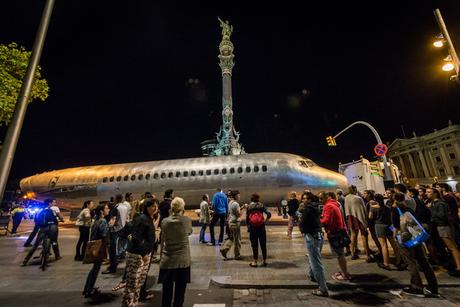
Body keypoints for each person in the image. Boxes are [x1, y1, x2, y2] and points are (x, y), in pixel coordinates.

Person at [392, 192, 439, 297]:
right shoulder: (409, 208)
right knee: (423, 261)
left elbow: (395, 226)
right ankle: (433, 286)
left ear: (395, 199)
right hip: (415, 236)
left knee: (410, 262)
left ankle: (416, 286)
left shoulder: (395, 209)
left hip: (404, 238)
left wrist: (396, 237)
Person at [122, 198, 156, 306]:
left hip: (143, 255)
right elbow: (135, 238)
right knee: (132, 285)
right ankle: (128, 304)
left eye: (156, 206)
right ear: (147, 207)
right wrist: (144, 254)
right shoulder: (142, 219)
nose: (155, 208)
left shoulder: (148, 218)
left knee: (138, 284)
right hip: (137, 256)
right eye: (153, 206)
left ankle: (134, 303)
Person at [159, 197, 193, 307]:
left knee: (166, 293)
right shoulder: (186, 220)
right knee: (179, 293)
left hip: (167, 260)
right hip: (182, 261)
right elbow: (189, 231)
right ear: (182, 208)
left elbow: (163, 239)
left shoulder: (164, 222)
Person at [300, 192, 328, 296]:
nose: (304, 200)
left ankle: (323, 288)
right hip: (318, 234)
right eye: (303, 198)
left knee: (316, 262)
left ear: (310, 199)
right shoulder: (316, 208)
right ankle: (312, 275)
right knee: (313, 257)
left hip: (311, 236)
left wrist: (302, 229)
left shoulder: (307, 209)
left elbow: (303, 223)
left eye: (306, 199)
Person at [428, 187, 460, 277]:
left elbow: (442, 216)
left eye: (429, 192)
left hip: (444, 226)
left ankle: (459, 267)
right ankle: (455, 265)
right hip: (441, 226)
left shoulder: (440, 203)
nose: (427, 193)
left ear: (435, 194)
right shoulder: (435, 203)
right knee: (450, 247)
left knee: (452, 247)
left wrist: (432, 211)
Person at [320, 192, 351, 281]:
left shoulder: (328, 206)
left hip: (335, 232)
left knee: (339, 255)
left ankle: (345, 274)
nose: (320, 200)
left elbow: (326, 220)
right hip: (339, 231)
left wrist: (318, 221)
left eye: (321, 198)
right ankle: (343, 271)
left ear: (326, 197)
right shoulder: (335, 204)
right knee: (340, 254)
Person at [369, 194, 403, 271]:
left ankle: (386, 263)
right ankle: (398, 261)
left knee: (384, 245)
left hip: (379, 226)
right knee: (394, 244)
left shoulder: (373, 208)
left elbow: (370, 217)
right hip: (388, 225)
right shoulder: (387, 208)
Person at [22, 199, 61, 266]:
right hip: (52, 228)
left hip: (42, 228)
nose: (53, 204)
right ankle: (57, 256)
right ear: (49, 203)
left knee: (35, 245)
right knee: (54, 241)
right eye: (52, 202)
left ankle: (25, 260)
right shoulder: (52, 210)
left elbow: (36, 220)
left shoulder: (40, 210)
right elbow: (56, 219)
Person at [82, 203, 110, 298]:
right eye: (106, 208)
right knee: (95, 269)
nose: (108, 209)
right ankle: (89, 290)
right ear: (102, 211)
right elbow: (104, 234)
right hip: (99, 247)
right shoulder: (102, 221)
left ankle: (88, 288)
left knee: (94, 268)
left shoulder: (96, 220)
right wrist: (110, 226)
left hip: (95, 245)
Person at [345, 186, 372, 262]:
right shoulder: (358, 198)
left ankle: (353, 254)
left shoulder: (346, 198)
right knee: (364, 236)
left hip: (350, 217)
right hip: (359, 217)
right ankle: (367, 255)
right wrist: (365, 220)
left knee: (353, 236)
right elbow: (363, 209)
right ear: (354, 190)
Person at [246, 193, 271, 267]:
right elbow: (269, 214)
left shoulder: (249, 206)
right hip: (261, 227)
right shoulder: (261, 205)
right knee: (263, 244)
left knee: (254, 245)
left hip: (253, 227)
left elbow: (247, 218)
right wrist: (265, 221)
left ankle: (255, 261)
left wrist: (248, 227)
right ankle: (264, 261)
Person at [103, 194, 124, 274]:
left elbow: (113, 220)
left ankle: (112, 267)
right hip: (121, 229)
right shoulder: (124, 207)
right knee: (118, 248)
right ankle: (114, 264)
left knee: (112, 250)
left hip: (115, 230)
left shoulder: (116, 208)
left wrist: (107, 226)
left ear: (115, 199)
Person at [220, 190, 242, 260]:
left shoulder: (230, 203)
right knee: (237, 240)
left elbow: (232, 212)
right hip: (235, 223)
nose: (239, 196)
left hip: (230, 222)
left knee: (232, 238)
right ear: (235, 196)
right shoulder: (236, 204)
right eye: (238, 195)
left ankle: (225, 249)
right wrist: (243, 210)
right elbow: (238, 214)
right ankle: (237, 255)